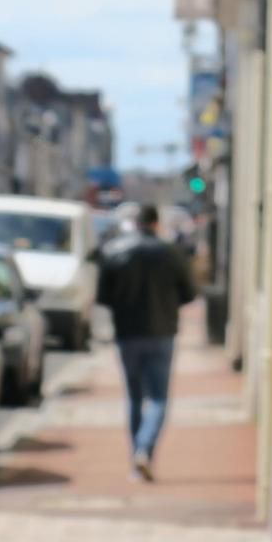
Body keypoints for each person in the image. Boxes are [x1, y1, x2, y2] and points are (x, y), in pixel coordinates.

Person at [96, 203, 196, 481]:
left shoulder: (114, 251)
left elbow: (103, 296)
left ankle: (135, 460)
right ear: (156, 223)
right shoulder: (171, 253)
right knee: (159, 398)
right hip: (161, 331)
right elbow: (189, 293)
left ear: (135, 222)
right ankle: (145, 450)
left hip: (127, 333)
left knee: (134, 397)